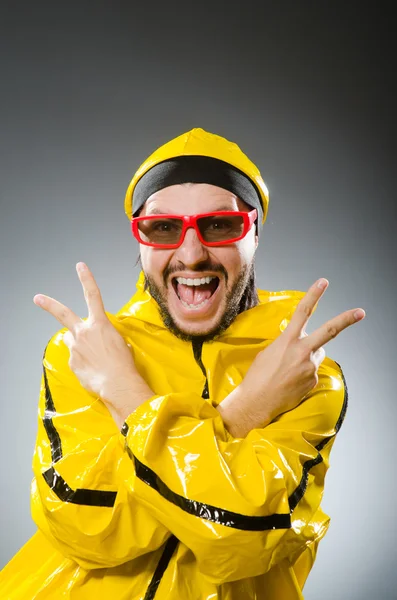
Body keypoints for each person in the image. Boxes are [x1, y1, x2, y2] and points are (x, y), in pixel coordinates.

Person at [0, 127, 365, 599]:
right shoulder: (88, 351)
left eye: (219, 225)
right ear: (141, 238)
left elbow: (246, 537)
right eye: (164, 228)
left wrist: (126, 396)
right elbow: (84, 526)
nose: (191, 256)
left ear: (254, 232)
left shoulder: (307, 374)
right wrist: (246, 413)